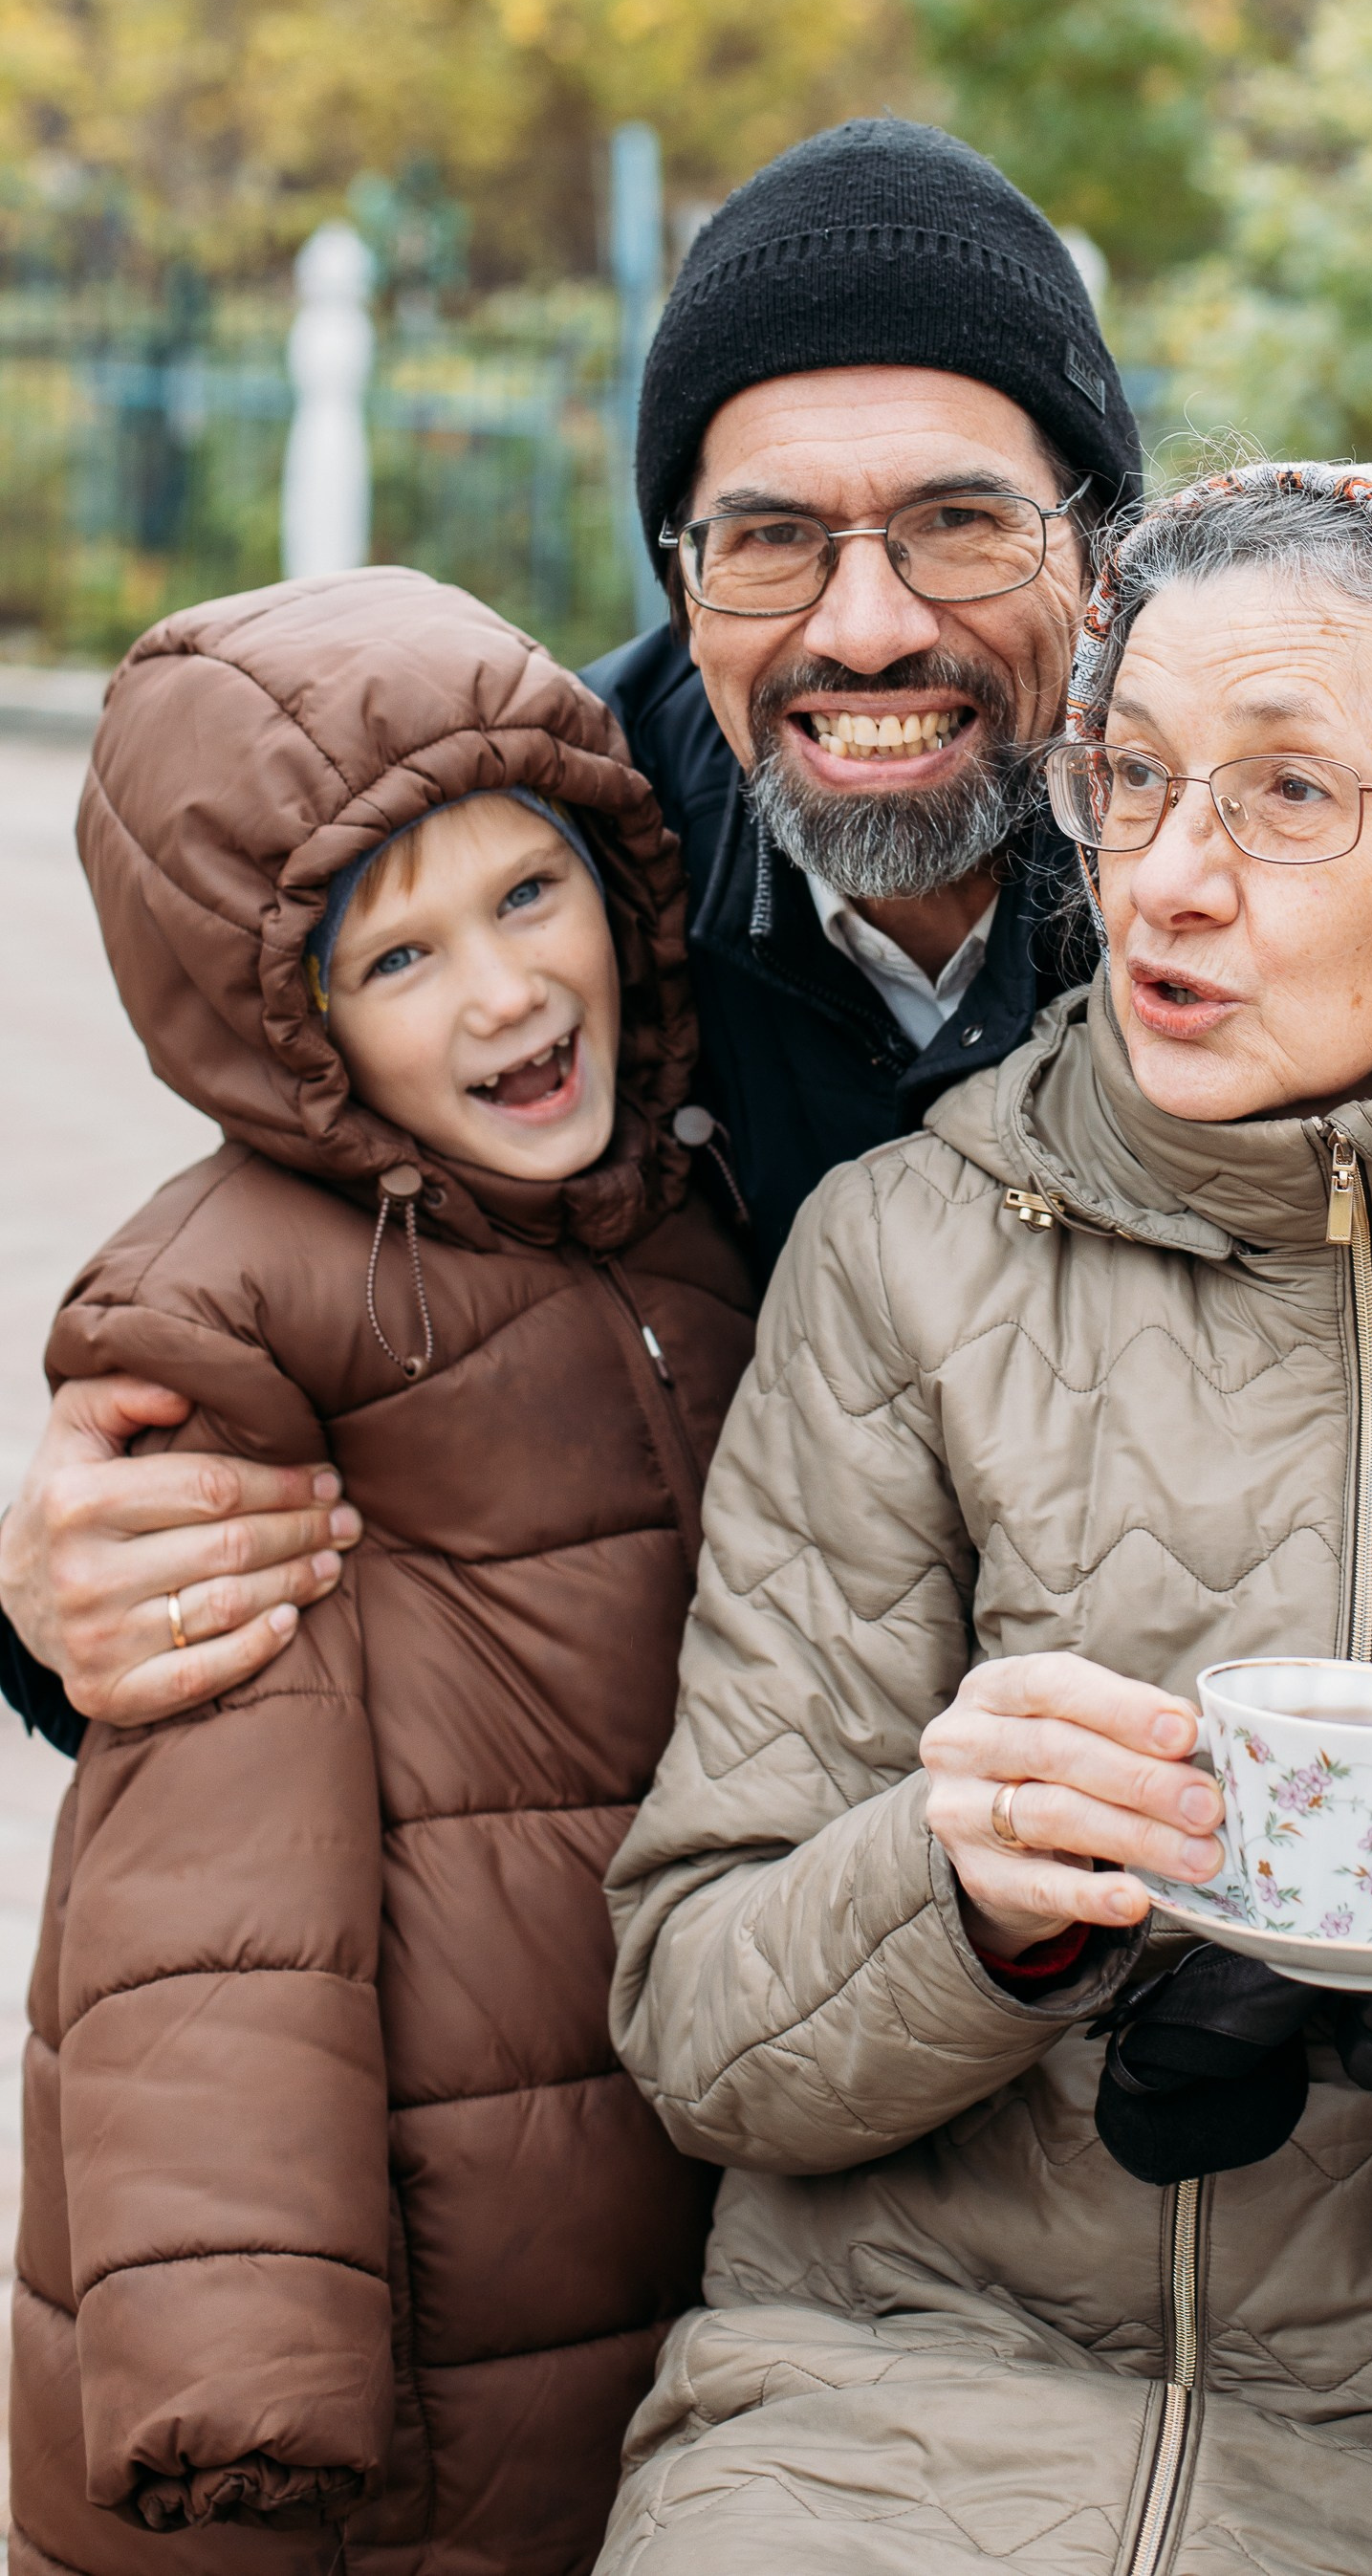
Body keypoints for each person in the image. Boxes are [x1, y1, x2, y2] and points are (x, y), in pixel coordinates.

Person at [596, 457, 1372, 2576]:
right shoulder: (915, 1248)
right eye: (1133, 773)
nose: (1162, 877)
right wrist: (959, 1898)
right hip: (866, 2436)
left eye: (1286, 795)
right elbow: (702, 2027)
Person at [0, 119, 1144, 1740]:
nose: (869, 627)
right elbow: (292, 1223)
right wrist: (66, 1591)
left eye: (961, 524)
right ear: (682, 582)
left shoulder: (1260, 825)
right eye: (770, 541)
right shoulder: (549, 863)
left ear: (1101, 548)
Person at [14, 570, 753, 2576]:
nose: (506, 992)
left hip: (614, 2163)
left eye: (533, 892)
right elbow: (202, 1904)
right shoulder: (238, 1313)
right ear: (279, 1022)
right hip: (367, 2316)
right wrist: (241, 2356)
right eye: (398, 954)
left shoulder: (676, 1206)